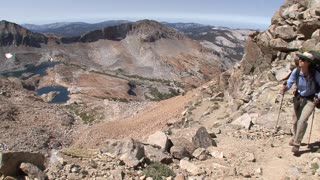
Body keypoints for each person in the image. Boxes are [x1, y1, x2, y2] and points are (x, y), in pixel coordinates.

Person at [280, 51, 320, 154]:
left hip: (310, 99)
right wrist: (285, 88)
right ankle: (295, 136)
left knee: (302, 120)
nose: (300, 60)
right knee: (295, 121)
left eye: (303, 59)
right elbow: (290, 82)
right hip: (298, 98)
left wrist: (318, 97)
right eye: (300, 59)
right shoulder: (296, 71)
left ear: (309, 63)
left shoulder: (315, 74)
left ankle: (297, 144)